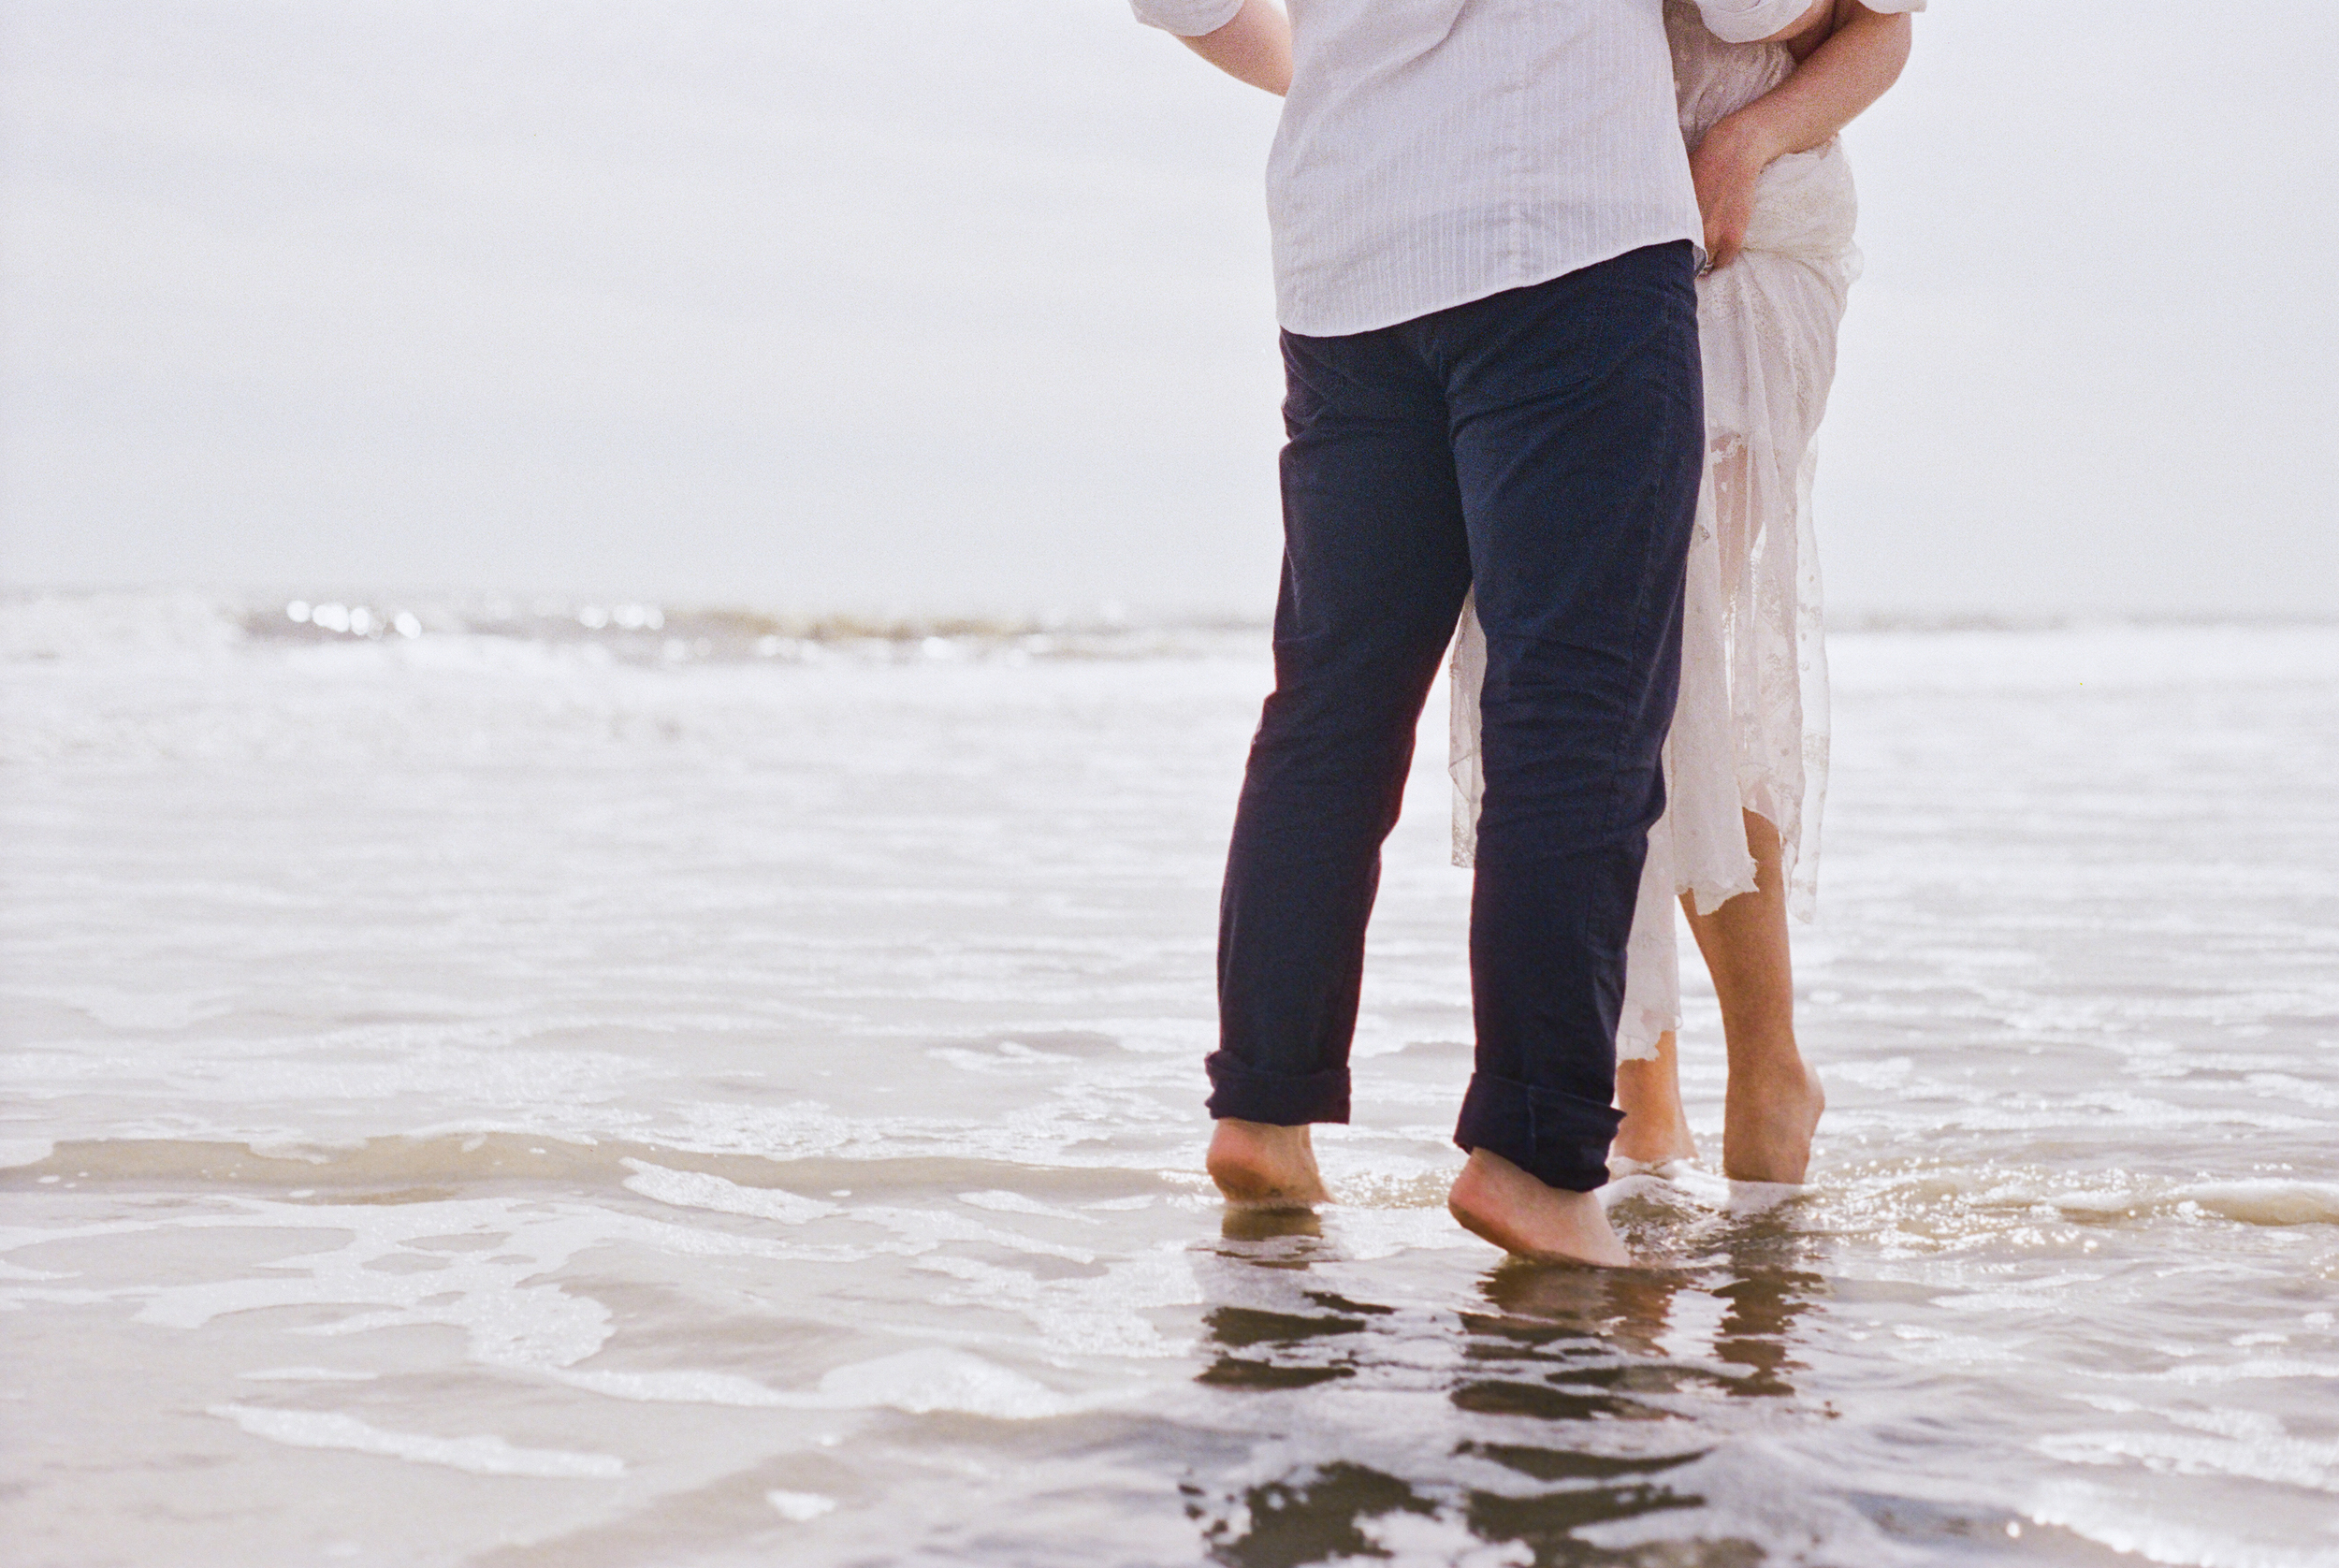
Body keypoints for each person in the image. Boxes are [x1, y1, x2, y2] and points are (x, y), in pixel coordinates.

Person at [1131, 0, 1882, 1268]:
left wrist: (1363, 71)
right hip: (1565, 227)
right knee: (1572, 713)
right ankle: (1532, 1158)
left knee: (1329, 709)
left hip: (1348, 243)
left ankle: (1264, 1111)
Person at [1451, 0, 1919, 1186]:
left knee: (1668, 649)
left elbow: (1882, 24)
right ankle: (1639, 1087)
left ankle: (1766, 1065)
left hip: (1743, 228)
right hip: (1543, 241)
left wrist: (1745, 139)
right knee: (1578, 663)